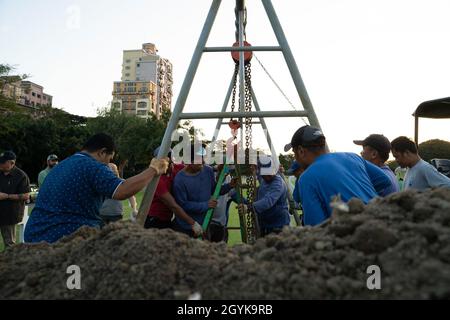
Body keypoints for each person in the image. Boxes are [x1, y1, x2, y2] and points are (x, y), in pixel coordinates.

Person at [24, 133, 168, 243]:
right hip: (63, 236)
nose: (107, 164)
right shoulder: (92, 166)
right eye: (109, 158)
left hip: (34, 233)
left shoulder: (63, 165)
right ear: (102, 152)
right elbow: (122, 190)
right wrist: (153, 170)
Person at [284, 125, 391, 226]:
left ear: (301, 151)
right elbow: (384, 181)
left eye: (294, 153)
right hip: (384, 222)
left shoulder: (306, 178)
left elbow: (315, 226)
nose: (295, 158)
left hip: (356, 235)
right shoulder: (353, 157)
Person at [172, 144, 234, 238]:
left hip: (204, 224)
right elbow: (183, 205)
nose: (203, 162)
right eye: (199, 160)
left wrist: (230, 185)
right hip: (185, 228)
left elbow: (214, 190)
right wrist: (205, 205)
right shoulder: (179, 180)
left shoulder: (207, 171)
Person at [146, 146, 203, 237]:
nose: (164, 165)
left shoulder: (178, 168)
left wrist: (216, 169)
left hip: (168, 219)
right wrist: (193, 223)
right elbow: (173, 205)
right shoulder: (157, 179)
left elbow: (193, 168)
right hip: (155, 221)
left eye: (168, 162)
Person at [242, 158, 290, 236]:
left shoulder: (278, 184)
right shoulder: (264, 179)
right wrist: (254, 167)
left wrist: (249, 207)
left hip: (279, 226)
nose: (269, 175)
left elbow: (268, 201)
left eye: (271, 172)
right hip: (266, 225)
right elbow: (259, 174)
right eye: (265, 173)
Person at [0, 151, 31, 248]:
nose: (0, 164)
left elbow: (26, 196)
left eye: (2, 162)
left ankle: (10, 263)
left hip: (9, 214)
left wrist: (6, 196)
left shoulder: (21, 176)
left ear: (12, 163)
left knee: (9, 244)